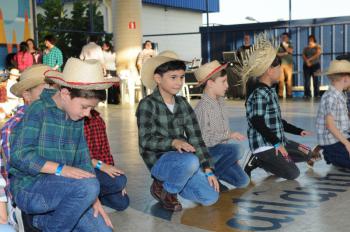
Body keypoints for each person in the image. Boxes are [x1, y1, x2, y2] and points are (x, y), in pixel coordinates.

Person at [9, 58, 118, 231]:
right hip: (31, 189)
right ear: (65, 94)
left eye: (91, 108)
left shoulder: (76, 117)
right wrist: (62, 169)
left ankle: (42, 222)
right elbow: (19, 156)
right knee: (89, 185)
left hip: (65, 191)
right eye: (84, 107)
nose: (88, 114)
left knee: (103, 229)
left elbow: (83, 161)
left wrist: (94, 200)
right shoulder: (38, 110)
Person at [136, 53, 219, 212]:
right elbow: (145, 141)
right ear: (158, 79)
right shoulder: (147, 104)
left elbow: (196, 138)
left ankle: (173, 184)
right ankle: (165, 189)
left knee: (210, 197)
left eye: (181, 77)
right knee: (190, 161)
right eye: (173, 77)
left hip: (184, 162)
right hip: (160, 163)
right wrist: (173, 142)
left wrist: (208, 169)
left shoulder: (182, 104)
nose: (179, 82)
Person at [232, 33, 321, 180]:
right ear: (269, 70)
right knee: (293, 173)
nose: (281, 72)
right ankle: (258, 159)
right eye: (279, 68)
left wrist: (299, 131)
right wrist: (275, 143)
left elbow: (279, 122)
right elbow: (257, 121)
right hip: (266, 145)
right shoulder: (260, 92)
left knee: (310, 154)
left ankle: (276, 159)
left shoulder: (270, 90)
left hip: (279, 141)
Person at [1, 64, 51, 231]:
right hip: (28, 197)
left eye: (55, 87)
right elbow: (19, 178)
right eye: (46, 89)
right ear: (26, 95)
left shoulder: (58, 120)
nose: (53, 94)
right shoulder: (12, 128)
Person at [194, 60, 250, 191]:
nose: (227, 85)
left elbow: (222, 129)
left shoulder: (220, 101)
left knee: (243, 181)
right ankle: (208, 177)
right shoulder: (203, 107)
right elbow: (204, 139)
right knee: (238, 149)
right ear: (210, 83)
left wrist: (230, 156)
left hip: (220, 152)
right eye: (223, 81)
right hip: (207, 153)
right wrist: (229, 137)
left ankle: (213, 178)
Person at [84, 109, 129, 211]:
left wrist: (112, 172)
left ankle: (98, 194)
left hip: (97, 169)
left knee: (122, 203)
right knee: (119, 181)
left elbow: (105, 151)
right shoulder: (75, 119)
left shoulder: (98, 120)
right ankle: (90, 195)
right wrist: (100, 165)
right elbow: (77, 156)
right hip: (81, 169)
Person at [315, 60, 350, 168]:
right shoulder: (331, 97)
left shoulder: (340, 95)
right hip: (333, 143)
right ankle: (328, 154)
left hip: (341, 137)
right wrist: (347, 143)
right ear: (346, 79)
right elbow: (330, 125)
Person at [277, 32, 294, 98]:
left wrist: (284, 46)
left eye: (285, 37)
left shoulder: (290, 44)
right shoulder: (279, 45)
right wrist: (285, 53)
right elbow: (277, 54)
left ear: (287, 38)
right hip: (281, 65)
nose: (283, 38)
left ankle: (289, 94)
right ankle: (280, 94)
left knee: (289, 80)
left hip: (289, 64)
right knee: (281, 80)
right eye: (282, 37)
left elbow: (291, 51)